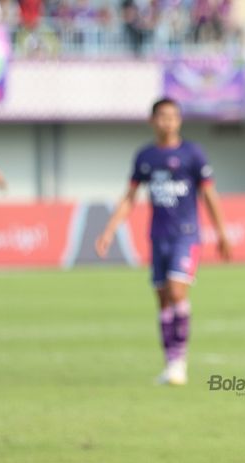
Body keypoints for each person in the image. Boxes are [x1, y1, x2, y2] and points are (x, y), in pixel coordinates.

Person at [95, 97, 230, 386]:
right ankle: (170, 363)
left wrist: (221, 232)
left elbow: (208, 194)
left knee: (177, 292)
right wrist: (109, 230)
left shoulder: (192, 154)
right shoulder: (145, 157)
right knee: (163, 300)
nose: (168, 122)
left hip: (187, 235)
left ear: (179, 120)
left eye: (173, 116)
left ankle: (180, 362)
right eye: (162, 116)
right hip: (158, 236)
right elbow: (130, 196)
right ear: (152, 120)